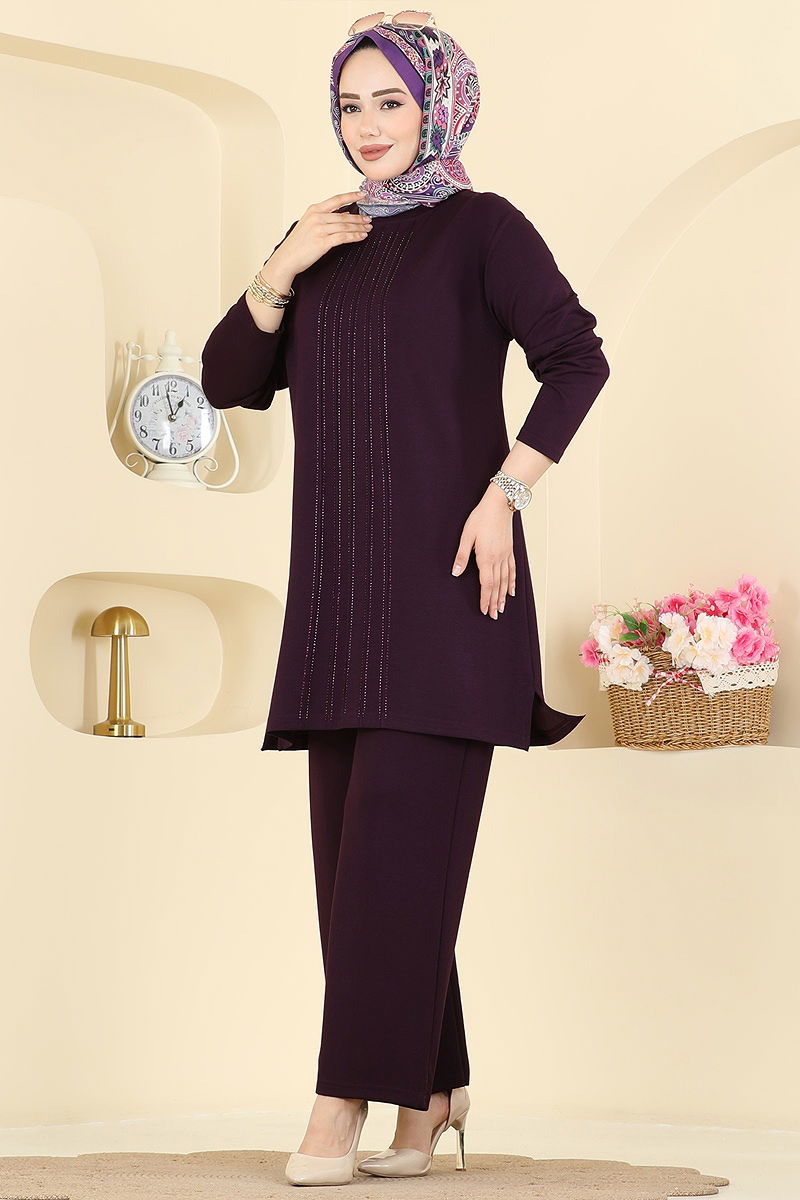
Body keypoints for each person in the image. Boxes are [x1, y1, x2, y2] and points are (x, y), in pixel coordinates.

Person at [200, 11, 610, 1188]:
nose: (368, 125)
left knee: (387, 862)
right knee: (363, 874)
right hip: (337, 606)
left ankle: (338, 1107)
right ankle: (430, 1097)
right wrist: (281, 267)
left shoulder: (483, 229)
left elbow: (575, 357)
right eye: (350, 104)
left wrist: (504, 494)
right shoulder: (321, 236)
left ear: (438, 106)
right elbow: (229, 380)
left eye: (390, 101)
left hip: (445, 598)